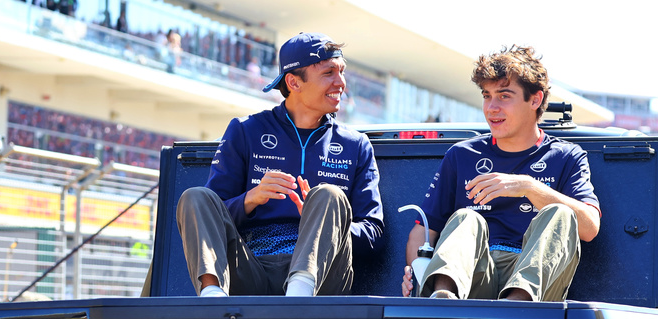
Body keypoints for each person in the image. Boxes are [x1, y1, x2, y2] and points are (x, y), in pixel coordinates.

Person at [175, 32, 383, 297]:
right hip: (249, 271)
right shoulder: (245, 130)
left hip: (321, 283)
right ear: (293, 82)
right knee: (195, 196)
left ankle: (298, 295)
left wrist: (325, 221)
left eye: (342, 72)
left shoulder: (356, 144)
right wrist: (251, 199)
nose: (341, 82)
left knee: (329, 195)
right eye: (329, 72)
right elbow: (211, 212)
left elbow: (374, 235)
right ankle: (212, 298)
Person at [402, 45, 599, 301]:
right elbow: (423, 231)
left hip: (534, 283)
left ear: (535, 100)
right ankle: (442, 299)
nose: (491, 107)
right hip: (473, 277)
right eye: (486, 95)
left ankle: (516, 305)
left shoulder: (567, 156)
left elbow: (590, 227)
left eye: (504, 96)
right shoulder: (461, 155)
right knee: (466, 218)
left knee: (561, 213)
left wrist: (529, 187)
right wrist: (417, 271)